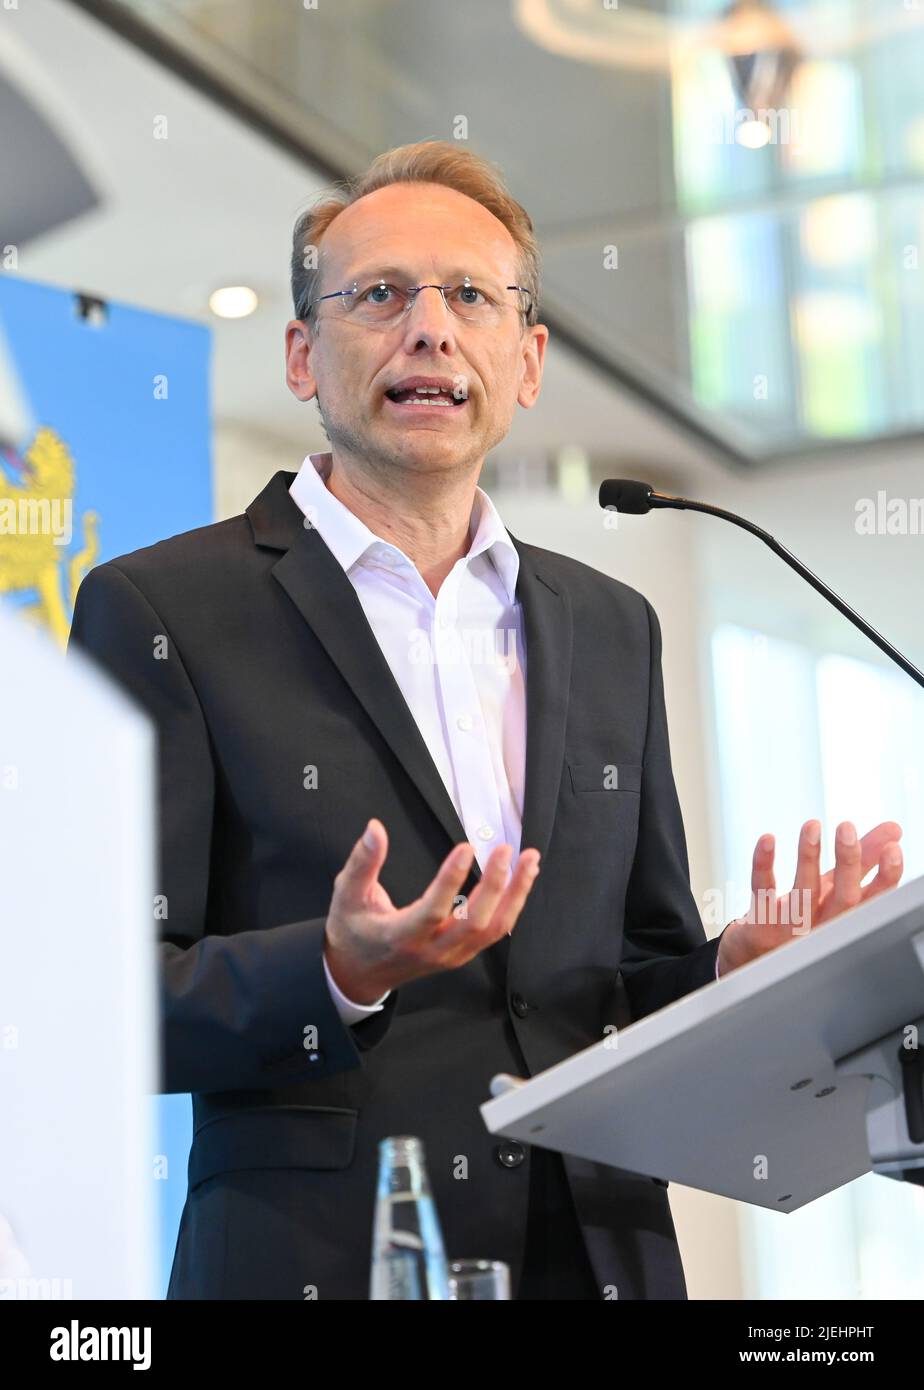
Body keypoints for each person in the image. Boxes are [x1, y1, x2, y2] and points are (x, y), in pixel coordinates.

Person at [68, 140, 904, 1300]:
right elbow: (89, 1002)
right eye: (379, 294)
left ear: (528, 361)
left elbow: (623, 979)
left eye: (471, 295)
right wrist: (333, 968)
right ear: (304, 354)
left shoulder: (613, 623)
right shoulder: (163, 608)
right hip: (321, 1260)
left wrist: (737, 970)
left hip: (603, 1254)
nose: (430, 327)